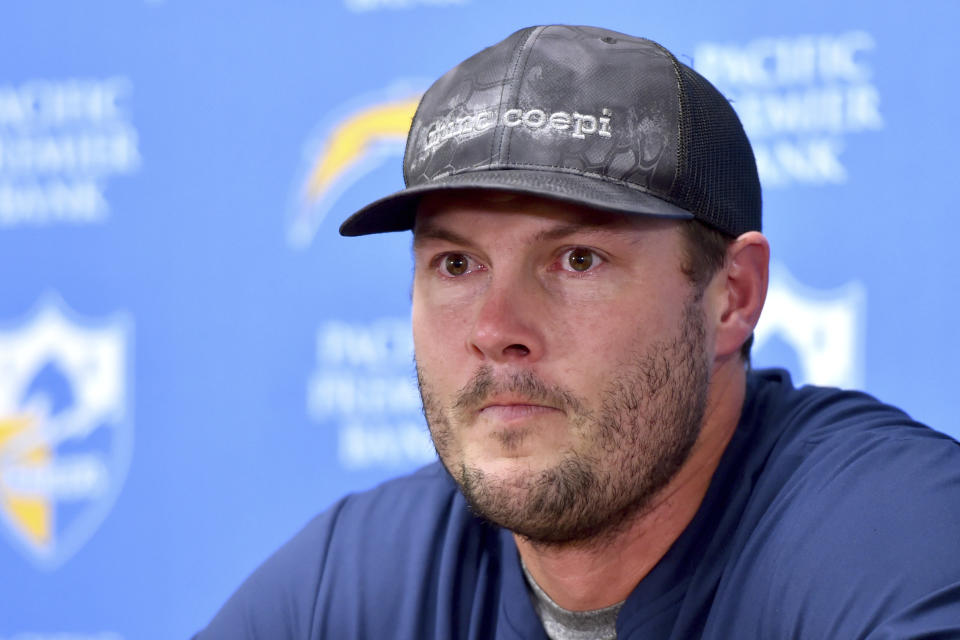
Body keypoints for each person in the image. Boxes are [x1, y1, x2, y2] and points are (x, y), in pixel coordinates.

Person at [195, 25, 960, 639]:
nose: (496, 330)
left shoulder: (895, 540)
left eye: (577, 259)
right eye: (457, 264)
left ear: (732, 296)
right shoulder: (362, 574)